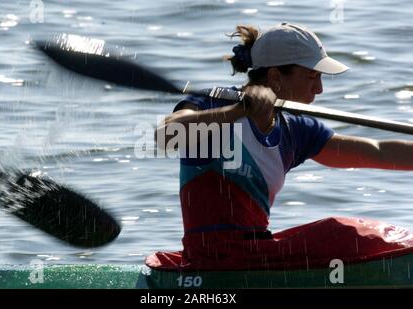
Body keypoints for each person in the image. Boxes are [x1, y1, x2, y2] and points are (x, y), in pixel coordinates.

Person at [153, 22, 413, 270]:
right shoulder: (215, 103)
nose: (319, 89)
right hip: (211, 260)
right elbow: (165, 136)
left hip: (255, 256)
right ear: (275, 76)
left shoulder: (295, 130)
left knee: (371, 236)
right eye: (312, 76)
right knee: (344, 233)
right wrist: (237, 111)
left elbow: (379, 151)